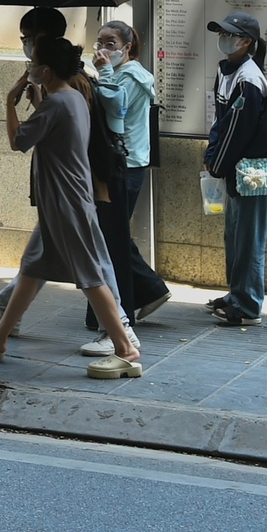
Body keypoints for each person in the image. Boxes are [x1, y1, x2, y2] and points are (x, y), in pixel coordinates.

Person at [0, 36, 142, 378]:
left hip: (65, 203)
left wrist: (9, 103)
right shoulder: (72, 97)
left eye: (33, 64)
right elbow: (57, 135)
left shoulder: (57, 104)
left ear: (45, 70)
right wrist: (38, 103)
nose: (29, 68)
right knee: (34, 268)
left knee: (90, 276)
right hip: (65, 201)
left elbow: (19, 141)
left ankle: (125, 349)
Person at [88, 20, 171, 328]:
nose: (104, 49)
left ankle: (141, 295)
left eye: (111, 43)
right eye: (100, 42)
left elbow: (115, 108)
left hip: (128, 164)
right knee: (112, 234)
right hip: (118, 162)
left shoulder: (133, 76)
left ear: (127, 46)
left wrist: (105, 73)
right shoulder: (121, 73)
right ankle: (146, 292)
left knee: (113, 236)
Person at [204, 12, 267, 327]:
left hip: (252, 170)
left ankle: (248, 306)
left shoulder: (248, 79)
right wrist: (213, 154)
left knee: (249, 240)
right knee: (235, 236)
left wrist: (216, 163)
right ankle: (236, 295)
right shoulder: (226, 71)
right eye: (221, 31)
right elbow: (220, 121)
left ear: (246, 41)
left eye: (229, 33)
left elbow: (238, 131)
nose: (223, 37)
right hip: (236, 169)